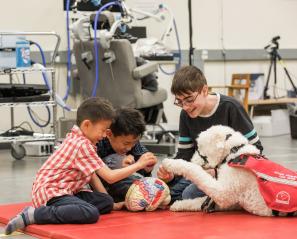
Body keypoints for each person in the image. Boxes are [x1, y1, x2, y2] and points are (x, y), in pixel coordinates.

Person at [5, 97, 157, 235]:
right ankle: (33, 215)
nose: (104, 135)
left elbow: (91, 174)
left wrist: (109, 200)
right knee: (90, 213)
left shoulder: (83, 139)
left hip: (69, 190)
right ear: (87, 125)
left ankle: (73, 206)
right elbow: (109, 177)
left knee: (106, 202)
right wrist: (139, 165)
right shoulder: (82, 144)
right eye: (103, 130)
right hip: (52, 192)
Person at [157, 65, 263, 202]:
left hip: (233, 175)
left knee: (187, 195)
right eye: (180, 101)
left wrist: (218, 172)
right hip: (203, 173)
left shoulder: (231, 108)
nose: (185, 107)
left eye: (189, 100)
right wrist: (171, 174)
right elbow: (185, 155)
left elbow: (257, 150)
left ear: (204, 90)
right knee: (167, 194)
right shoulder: (185, 114)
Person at [96, 107, 157, 203]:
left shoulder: (132, 142)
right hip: (101, 186)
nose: (129, 148)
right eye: (126, 143)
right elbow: (95, 175)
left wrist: (147, 167)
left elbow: (143, 166)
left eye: (134, 142)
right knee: (115, 160)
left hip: (123, 184)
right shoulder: (97, 143)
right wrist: (122, 165)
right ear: (109, 134)